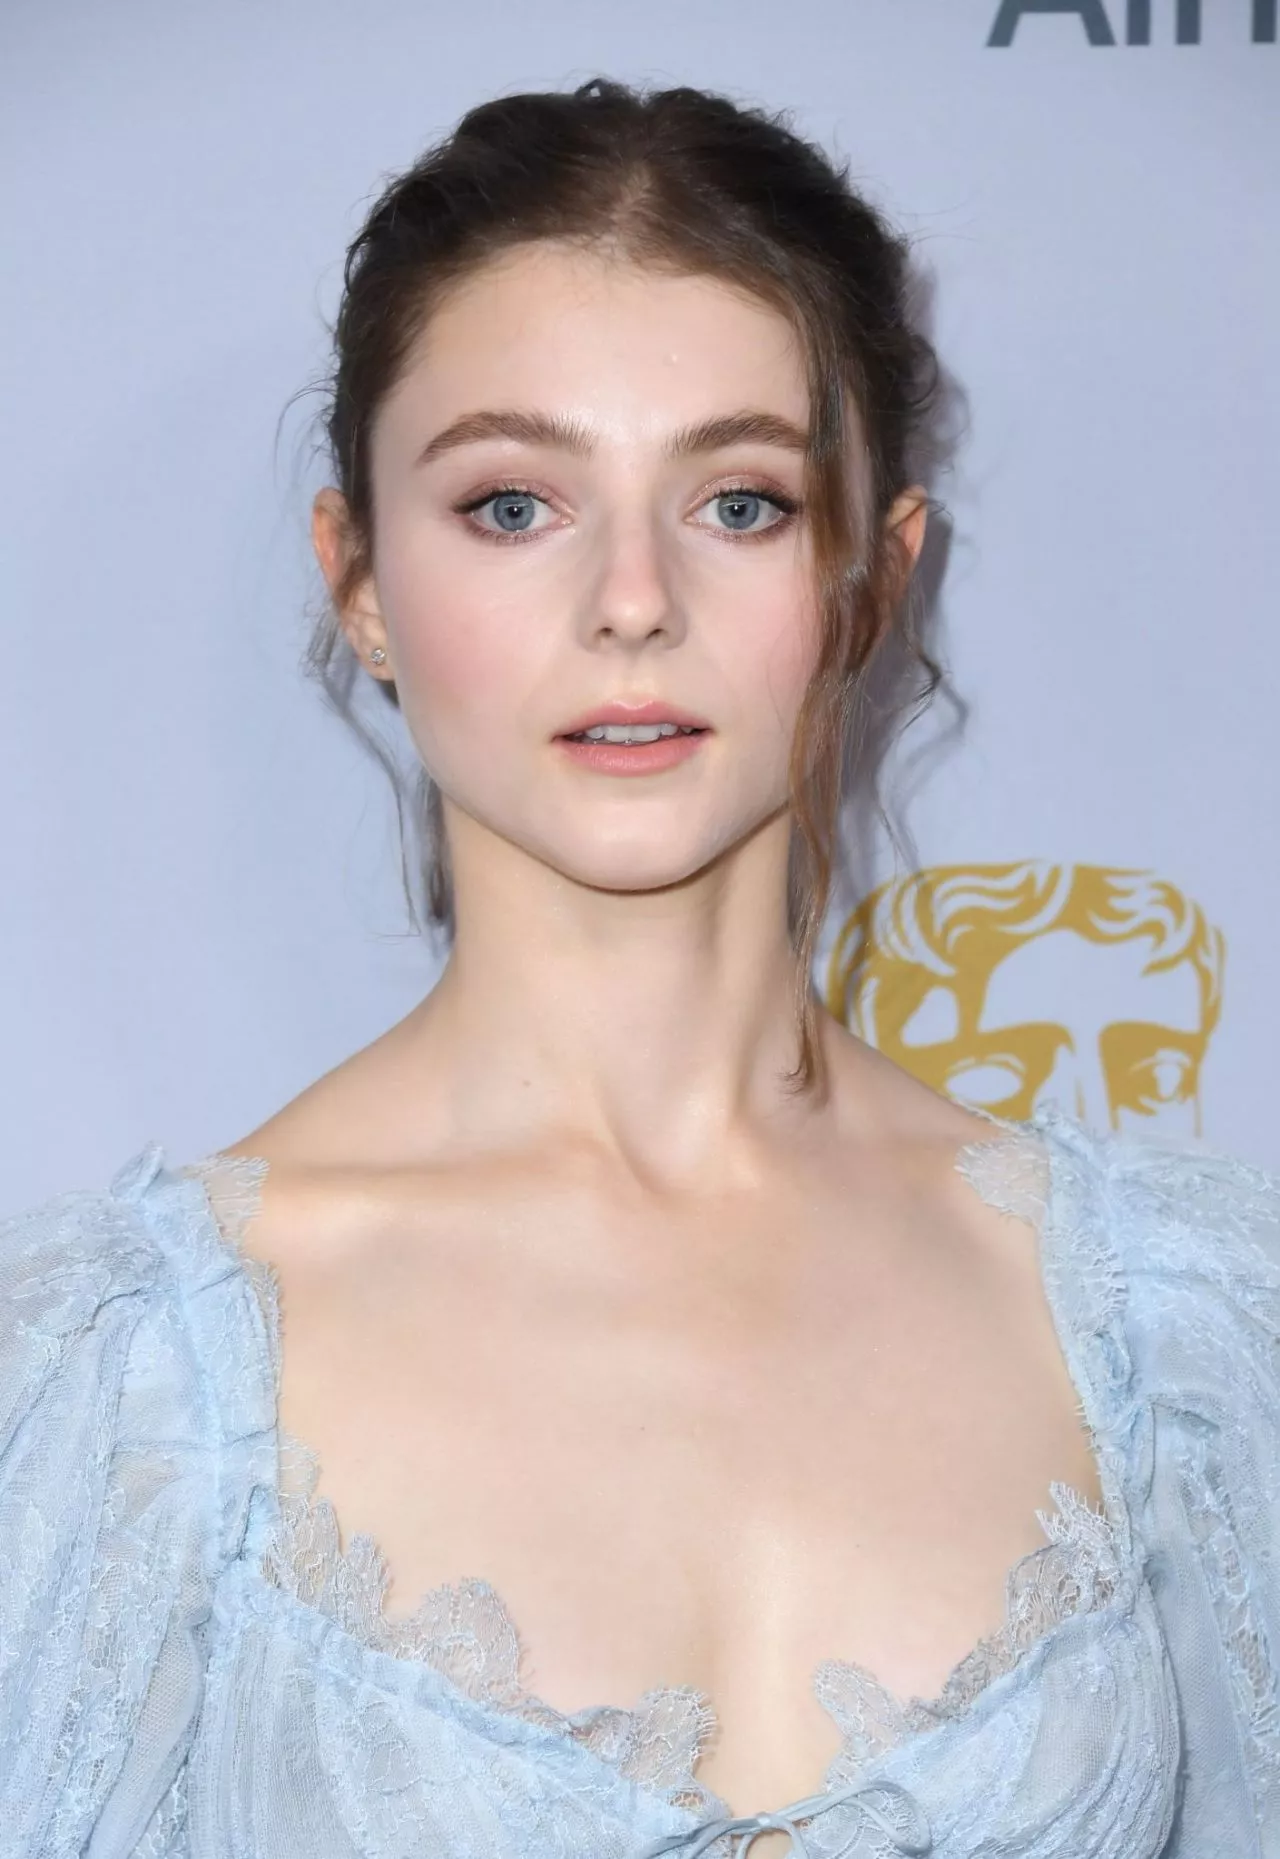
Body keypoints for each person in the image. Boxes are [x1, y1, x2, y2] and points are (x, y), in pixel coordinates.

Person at [2, 76, 1277, 1859]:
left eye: (740, 502)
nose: (631, 599)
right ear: (357, 579)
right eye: (513, 504)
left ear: (874, 573)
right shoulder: (125, 1388)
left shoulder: (1182, 1334)